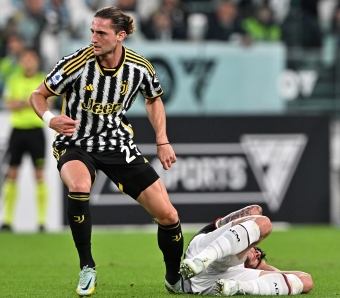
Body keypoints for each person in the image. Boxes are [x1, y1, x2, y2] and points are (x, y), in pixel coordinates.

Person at [28, 6, 183, 297]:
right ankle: (87, 266)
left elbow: (154, 99)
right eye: (92, 31)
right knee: (79, 185)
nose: (94, 38)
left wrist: (162, 140)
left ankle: (174, 278)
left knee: (168, 216)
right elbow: (38, 94)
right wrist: (51, 120)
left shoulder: (139, 67)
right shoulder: (76, 62)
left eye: (101, 32)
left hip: (116, 144)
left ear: (120, 36)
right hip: (76, 142)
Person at [179, 205, 314, 296]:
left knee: (305, 282)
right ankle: (202, 259)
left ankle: (239, 287)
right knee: (263, 222)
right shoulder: (217, 231)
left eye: (259, 256)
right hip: (199, 251)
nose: (258, 253)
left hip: (209, 282)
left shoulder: (242, 268)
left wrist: (262, 267)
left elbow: (302, 279)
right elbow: (255, 210)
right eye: (257, 250)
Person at [0, 48, 49, 232]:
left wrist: (22, 103)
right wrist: (31, 103)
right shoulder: (13, 79)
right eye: (25, 58)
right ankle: (7, 221)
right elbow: (9, 104)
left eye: (31, 58)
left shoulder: (44, 79)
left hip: (36, 131)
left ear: (36, 61)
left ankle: (42, 222)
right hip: (18, 131)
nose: (28, 62)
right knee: (12, 173)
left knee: (39, 174)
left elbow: (48, 103)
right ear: (21, 61)